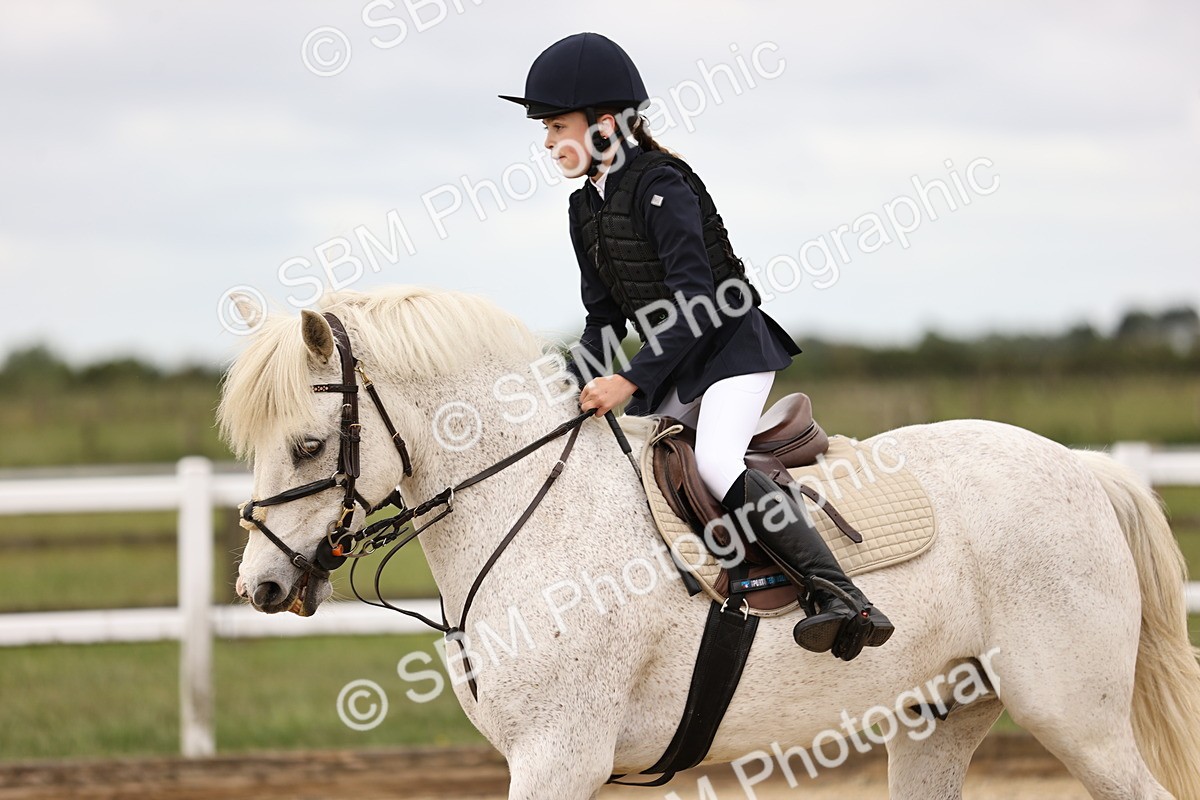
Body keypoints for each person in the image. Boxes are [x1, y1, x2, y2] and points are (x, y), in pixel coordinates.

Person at [500, 32, 892, 661]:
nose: (546, 143)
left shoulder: (664, 185)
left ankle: (842, 595)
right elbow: (602, 319)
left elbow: (697, 300)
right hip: (675, 365)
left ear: (604, 126)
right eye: (544, 129)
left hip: (730, 352)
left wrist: (626, 382)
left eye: (554, 126)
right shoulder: (585, 208)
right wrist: (567, 386)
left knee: (714, 463)